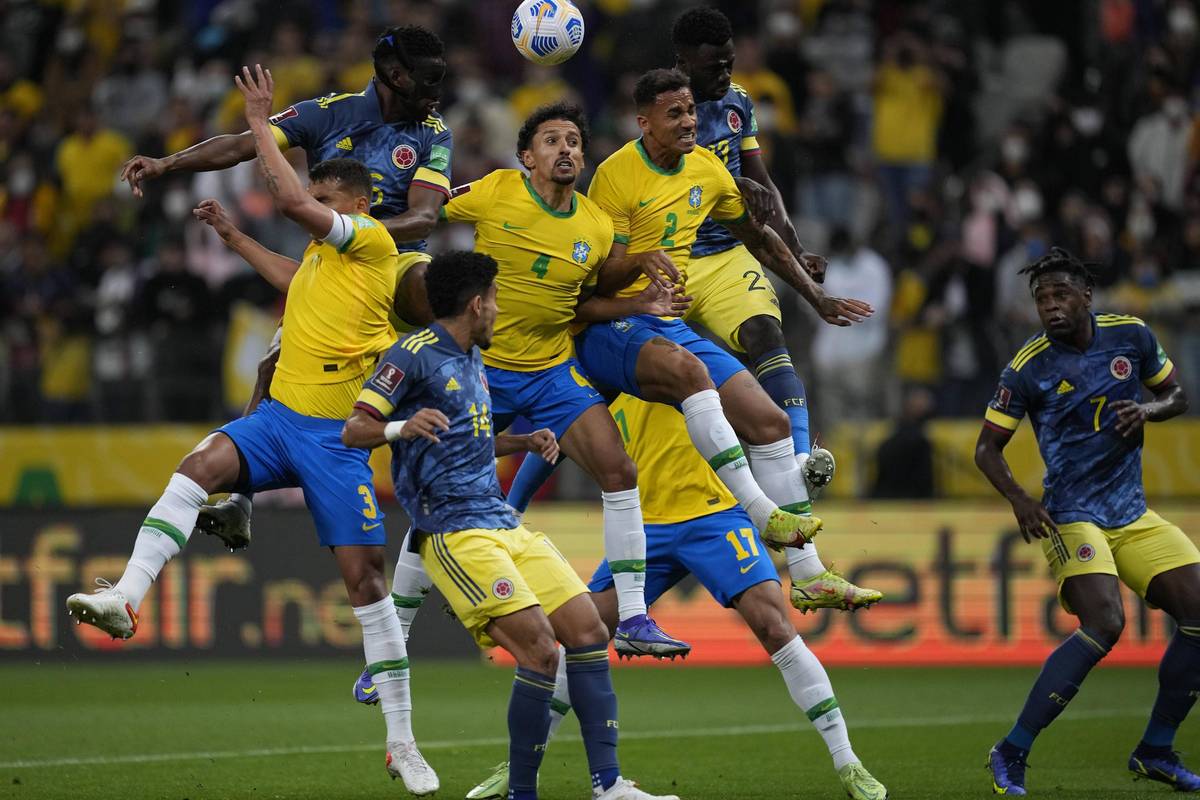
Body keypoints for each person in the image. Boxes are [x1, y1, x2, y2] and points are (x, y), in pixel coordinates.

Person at [65, 66, 439, 795]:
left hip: (336, 440)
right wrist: (232, 234)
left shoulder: (373, 246)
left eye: (330, 203)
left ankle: (403, 741)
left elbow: (292, 197)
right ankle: (127, 599)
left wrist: (261, 122)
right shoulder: (326, 262)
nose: (314, 212)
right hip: (276, 423)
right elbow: (286, 274)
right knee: (199, 463)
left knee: (364, 583)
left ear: (358, 206)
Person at [341, 251, 679, 800]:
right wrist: (402, 426)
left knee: (590, 632)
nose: (499, 311)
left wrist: (520, 441)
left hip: (501, 522)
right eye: (495, 300)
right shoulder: (413, 354)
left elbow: (463, 439)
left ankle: (609, 786)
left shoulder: (474, 356)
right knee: (541, 651)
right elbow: (355, 429)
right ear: (477, 305)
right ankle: (523, 793)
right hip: (453, 533)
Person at [512, 69, 872, 561]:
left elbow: (756, 236)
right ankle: (759, 511)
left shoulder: (705, 168)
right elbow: (593, 284)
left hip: (663, 318)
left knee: (769, 421)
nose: (689, 122)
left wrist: (814, 296)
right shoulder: (615, 176)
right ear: (644, 122)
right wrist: (640, 267)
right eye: (675, 114)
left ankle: (808, 572)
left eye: (690, 112)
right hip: (609, 322)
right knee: (575, 418)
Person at [119, 25, 453, 548]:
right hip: (330, 272)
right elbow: (241, 144)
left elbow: (424, 219)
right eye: (429, 79)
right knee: (272, 366)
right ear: (395, 75)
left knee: (428, 290)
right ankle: (239, 502)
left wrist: (352, 234)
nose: (438, 91)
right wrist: (168, 162)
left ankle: (476, 390)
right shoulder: (330, 112)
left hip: (394, 259)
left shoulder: (434, 132)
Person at [460, 393, 888, 800]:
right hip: (643, 529)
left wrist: (797, 459)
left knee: (775, 625)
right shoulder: (597, 379)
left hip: (717, 517)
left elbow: (761, 418)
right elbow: (551, 448)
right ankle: (517, 772)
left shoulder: (680, 360)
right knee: (583, 636)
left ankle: (848, 761)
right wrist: (511, 514)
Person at [432, 101, 689, 657]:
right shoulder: (495, 190)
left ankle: (636, 617)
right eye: (551, 140)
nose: (566, 149)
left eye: (573, 140)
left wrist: (641, 302)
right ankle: (394, 640)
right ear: (527, 157)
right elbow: (426, 215)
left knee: (619, 470)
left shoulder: (595, 226)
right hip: (483, 368)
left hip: (551, 371)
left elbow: (585, 305)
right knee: (442, 490)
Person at [976, 248, 1200, 795]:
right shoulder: (1028, 367)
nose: (1049, 306)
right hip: (1070, 514)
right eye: (1040, 299)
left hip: (1131, 513)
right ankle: (1012, 749)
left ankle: (1155, 750)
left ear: (1086, 296)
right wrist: (1019, 499)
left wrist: (1147, 410)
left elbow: (1176, 395)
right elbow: (987, 449)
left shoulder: (1132, 337)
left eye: (1059, 295)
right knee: (1105, 623)